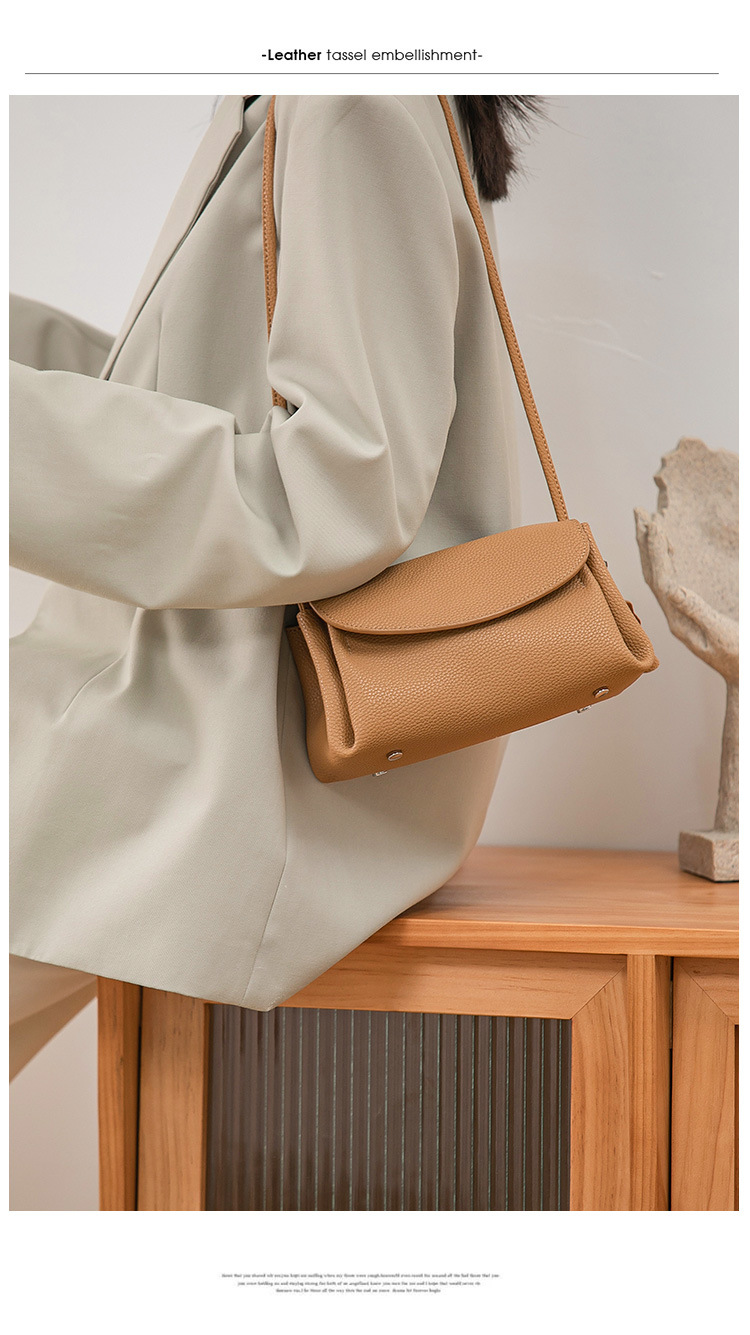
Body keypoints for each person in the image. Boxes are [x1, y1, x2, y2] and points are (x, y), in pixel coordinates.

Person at [9, 94, 536, 1078]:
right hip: (173, 712)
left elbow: (338, 491)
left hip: (230, 755)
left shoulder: (350, 95)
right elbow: (189, 384)